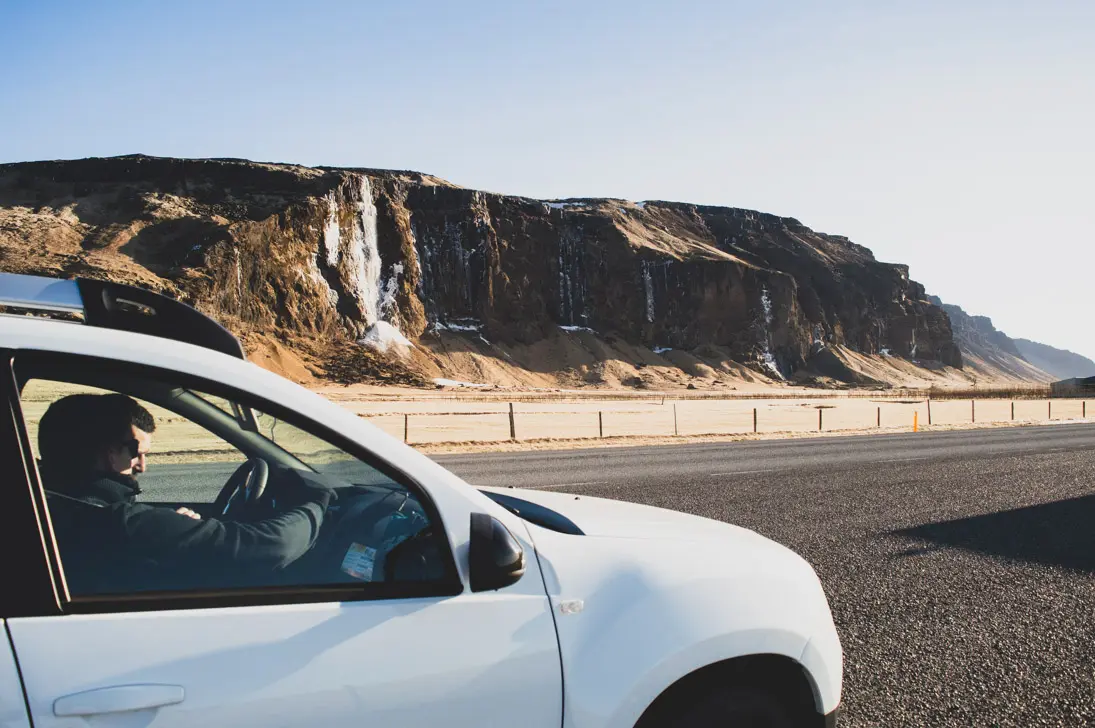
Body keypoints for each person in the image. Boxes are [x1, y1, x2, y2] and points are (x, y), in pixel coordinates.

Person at [38, 393, 335, 595]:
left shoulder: (49, 503)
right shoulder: (119, 523)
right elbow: (271, 547)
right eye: (135, 454)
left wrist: (171, 529)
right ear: (103, 451)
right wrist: (316, 504)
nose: (143, 466)